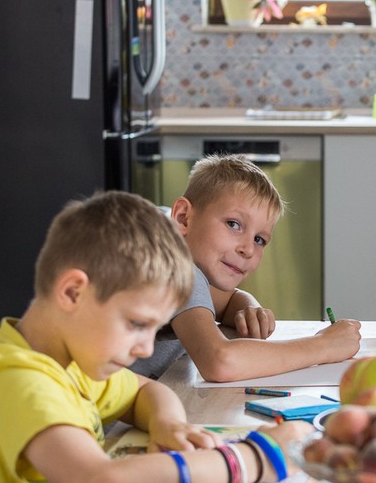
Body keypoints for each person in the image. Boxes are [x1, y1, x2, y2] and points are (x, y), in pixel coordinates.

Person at [0, 191, 312, 483]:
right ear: (73, 292)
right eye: (137, 324)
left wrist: (169, 425)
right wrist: (257, 458)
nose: (146, 349)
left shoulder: (68, 361)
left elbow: (143, 391)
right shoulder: (19, 379)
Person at [131, 154, 361, 382]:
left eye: (259, 239)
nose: (248, 249)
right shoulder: (173, 266)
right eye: (233, 224)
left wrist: (247, 309)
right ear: (183, 217)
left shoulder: (164, 237)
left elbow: (226, 301)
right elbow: (220, 362)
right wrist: (323, 346)